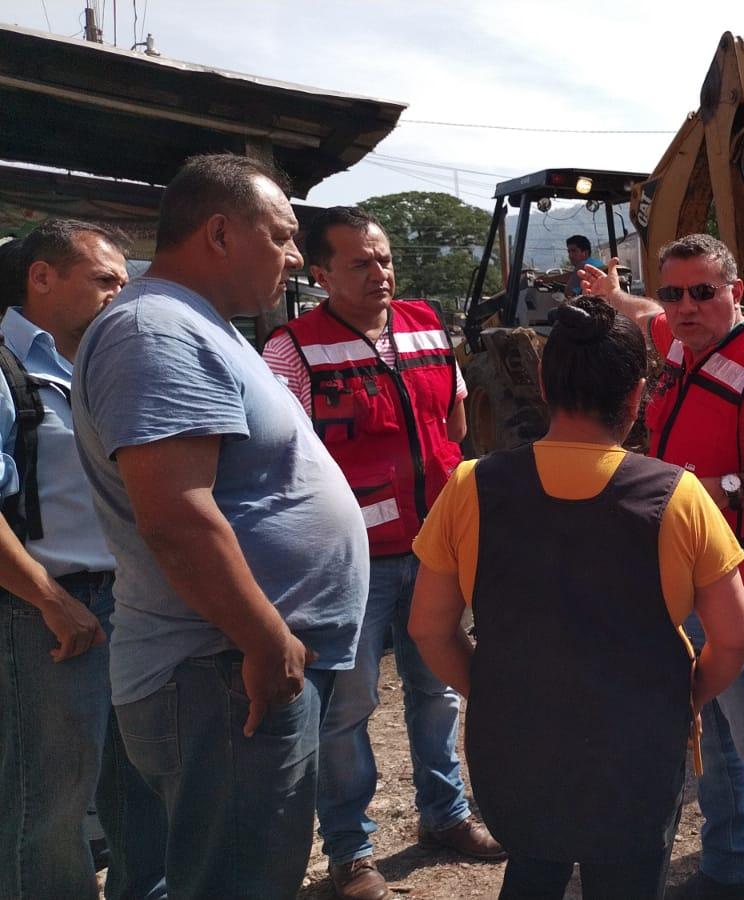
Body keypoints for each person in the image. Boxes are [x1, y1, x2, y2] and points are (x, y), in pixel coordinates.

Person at [72, 153, 370, 899]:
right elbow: (176, 514)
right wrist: (267, 640)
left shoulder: (208, 328)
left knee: (243, 873)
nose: (296, 255)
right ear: (218, 232)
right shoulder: (157, 332)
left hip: (237, 666)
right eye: (282, 235)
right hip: (222, 669)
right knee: (237, 882)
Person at [408, 296, 744, 900]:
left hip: (515, 744)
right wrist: (684, 697)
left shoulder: (470, 486)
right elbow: (735, 638)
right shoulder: (681, 496)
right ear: (637, 394)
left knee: (533, 865)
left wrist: (491, 689)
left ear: (544, 382)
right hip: (638, 753)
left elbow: (429, 630)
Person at [583, 234, 744, 900]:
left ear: (737, 293)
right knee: (713, 743)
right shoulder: (680, 342)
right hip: (683, 587)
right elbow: (645, 316)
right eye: (674, 292)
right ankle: (725, 865)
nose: (686, 306)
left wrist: (727, 488)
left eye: (703, 292)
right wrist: (613, 295)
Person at [262, 207, 500, 900]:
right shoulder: (291, 350)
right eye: (361, 264)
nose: (380, 274)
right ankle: (349, 850)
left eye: (385, 260)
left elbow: (453, 420)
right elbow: (283, 463)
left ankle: (445, 816)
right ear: (321, 273)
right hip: (349, 562)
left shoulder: (427, 325)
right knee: (348, 705)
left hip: (434, 549)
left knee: (437, 693)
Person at [0, 221, 166, 900]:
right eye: (105, 279)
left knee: (139, 783)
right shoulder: (6, 369)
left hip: (124, 608)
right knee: (50, 803)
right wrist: (49, 600)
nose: (120, 295)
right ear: (43, 278)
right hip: (45, 618)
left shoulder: (95, 366)